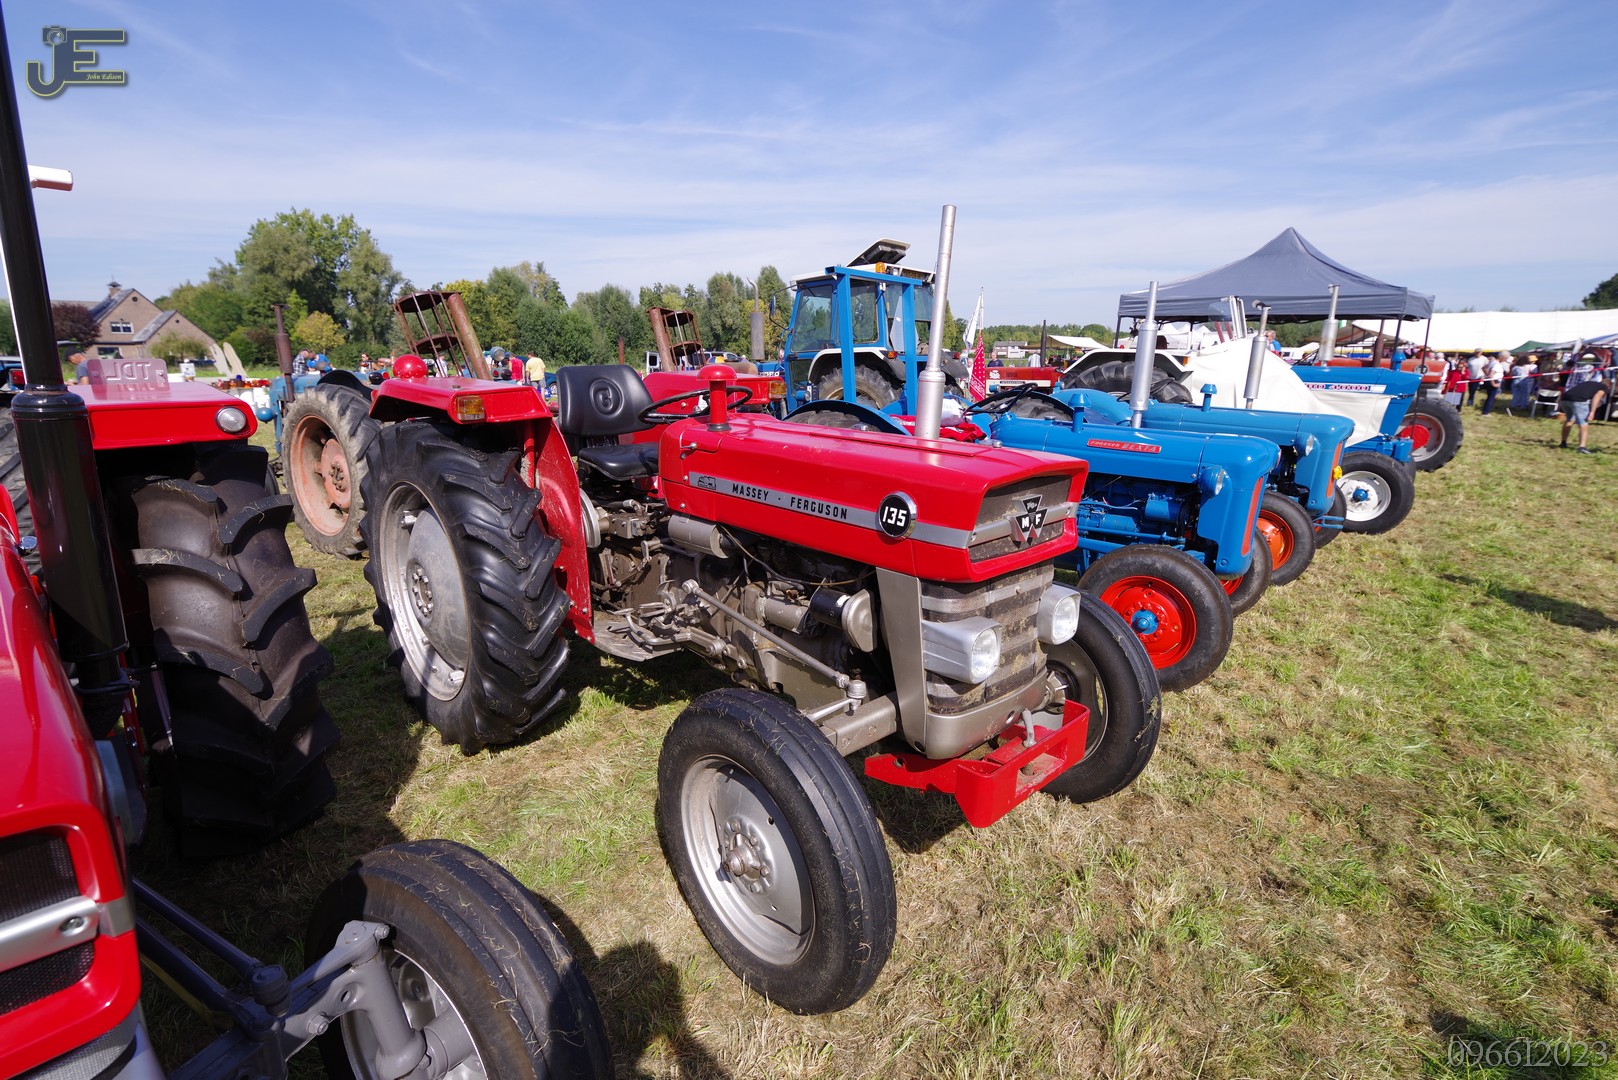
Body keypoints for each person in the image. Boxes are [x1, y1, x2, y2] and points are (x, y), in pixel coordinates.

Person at [1559, 355, 1611, 453]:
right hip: (1578, 401)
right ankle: (1582, 447)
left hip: (1565, 398)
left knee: (1569, 420)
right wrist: (1592, 412)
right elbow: (1596, 398)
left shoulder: (1590, 383)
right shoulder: (1603, 387)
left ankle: (1563, 442)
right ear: (1608, 386)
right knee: (1583, 423)